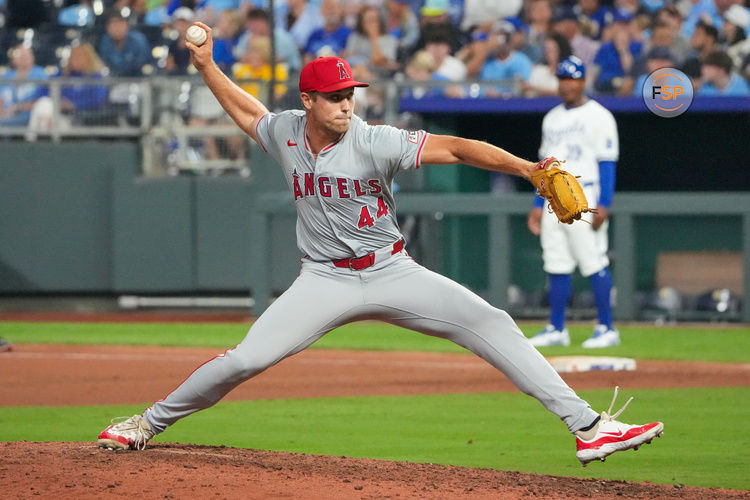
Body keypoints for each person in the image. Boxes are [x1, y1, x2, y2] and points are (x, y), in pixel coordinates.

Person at [97, 24, 664, 467]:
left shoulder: (376, 141)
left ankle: (589, 428)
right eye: (335, 96)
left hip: (392, 271)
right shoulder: (287, 132)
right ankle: (146, 423)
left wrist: (527, 168)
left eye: (351, 94)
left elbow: (460, 149)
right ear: (309, 101)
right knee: (245, 359)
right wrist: (207, 67)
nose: (347, 104)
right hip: (322, 279)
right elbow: (247, 110)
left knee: (491, 321)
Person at [527, 56, 620, 350]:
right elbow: (542, 167)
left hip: (584, 193)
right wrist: (537, 205)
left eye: (572, 78)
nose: (567, 84)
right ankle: (557, 328)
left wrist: (604, 203)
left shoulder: (600, 115)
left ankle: (607, 327)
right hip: (553, 194)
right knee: (556, 262)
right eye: (563, 79)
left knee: (593, 260)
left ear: (583, 81)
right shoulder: (551, 118)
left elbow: (607, 163)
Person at [0, 45, 49, 127]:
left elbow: (44, 99)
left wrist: (18, 107)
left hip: (31, 117)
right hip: (6, 118)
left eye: (26, 55)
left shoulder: (40, 74)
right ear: (13, 59)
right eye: (19, 55)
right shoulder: (6, 76)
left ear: (32, 57)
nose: (23, 58)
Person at [98, 10, 153, 77]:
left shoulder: (138, 40)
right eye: (114, 25)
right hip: (113, 80)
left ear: (126, 25)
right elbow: (103, 63)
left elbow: (142, 63)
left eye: (120, 24)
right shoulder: (105, 42)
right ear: (108, 27)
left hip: (138, 79)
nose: (117, 28)